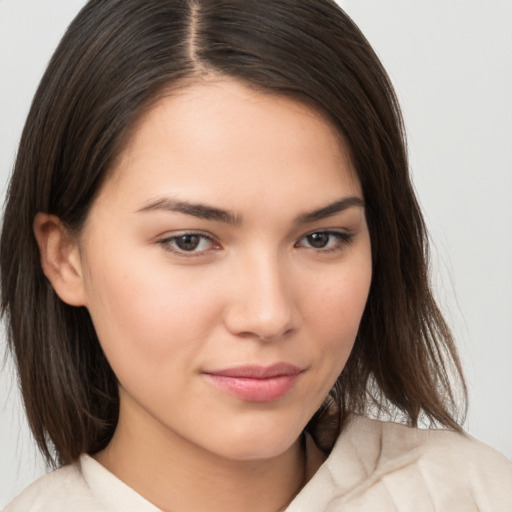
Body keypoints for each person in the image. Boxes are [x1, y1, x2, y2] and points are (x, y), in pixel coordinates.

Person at [1, 0, 511, 510]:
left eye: (321, 238)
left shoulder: (476, 494)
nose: (269, 315)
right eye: (189, 241)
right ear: (65, 257)